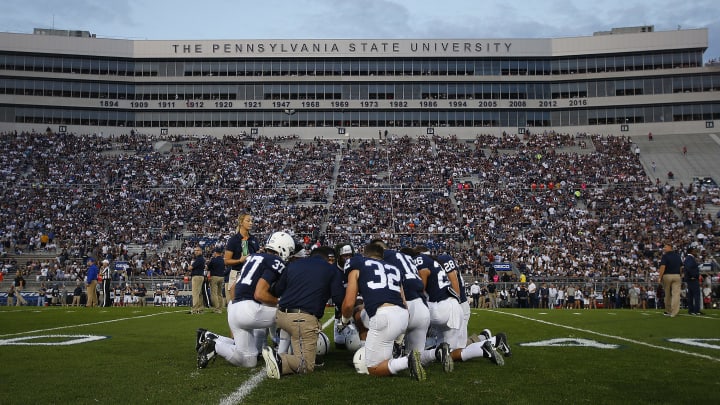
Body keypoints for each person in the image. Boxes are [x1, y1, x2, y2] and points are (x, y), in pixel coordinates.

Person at [196, 231, 295, 369]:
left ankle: (215, 345)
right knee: (288, 313)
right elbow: (260, 294)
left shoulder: (252, 257)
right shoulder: (275, 261)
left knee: (249, 361)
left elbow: (232, 289)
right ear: (283, 248)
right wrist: (279, 302)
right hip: (249, 309)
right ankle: (281, 356)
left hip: (234, 307)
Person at [340, 242, 425, 381]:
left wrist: (343, 321)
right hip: (403, 316)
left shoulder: (358, 263)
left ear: (365, 255)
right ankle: (403, 359)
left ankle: (407, 361)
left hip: (384, 316)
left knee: (373, 368)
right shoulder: (395, 268)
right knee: (385, 361)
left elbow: (349, 303)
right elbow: (404, 301)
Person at [262, 246, 345, 379]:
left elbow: (277, 290)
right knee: (306, 366)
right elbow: (339, 299)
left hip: (281, 316)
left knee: (295, 334)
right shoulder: (331, 269)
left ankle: (283, 352)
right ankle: (279, 358)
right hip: (301, 319)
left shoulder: (293, 265)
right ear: (329, 258)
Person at [224, 213, 260, 303]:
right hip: (237, 273)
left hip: (251, 274)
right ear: (241, 222)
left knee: (251, 303)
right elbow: (226, 261)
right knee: (235, 304)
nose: (251, 223)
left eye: (251, 221)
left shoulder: (254, 239)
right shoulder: (233, 240)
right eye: (248, 221)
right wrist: (239, 260)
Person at [658, 243, 682, 317]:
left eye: (665, 247)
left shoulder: (665, 256)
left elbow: (663, 267)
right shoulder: (678, 256)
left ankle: (668, 311)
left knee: (667, 294)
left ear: (670, 247)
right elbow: (681, 267)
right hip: (677, 275)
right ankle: (674, 312)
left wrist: (660, 277)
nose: (664, 248)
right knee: (676, 295)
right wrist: (680, 275)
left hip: (667, 275)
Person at [683, 247, 703, 315]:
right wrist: (693, 276)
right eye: (694, 251)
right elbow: (689, 267)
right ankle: (696, 310)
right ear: (691, 251)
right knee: (696, 295)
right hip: (693, 279)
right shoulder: (690, 258)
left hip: (690, 279)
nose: (695, 252)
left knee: (691, 295)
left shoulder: (688, 258)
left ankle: (691, 310)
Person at [206, 247, 226, 314]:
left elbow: (208, 268)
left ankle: (217, 309)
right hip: (222, 277)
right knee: (219, 293)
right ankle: (220, 308)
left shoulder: (213, 260)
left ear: (216, 252)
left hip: (214, 277)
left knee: (214, 293)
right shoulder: (223, 260)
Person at [189, 246, 206, 314]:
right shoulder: (200, 259)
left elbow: (190, 268)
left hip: (197, 277)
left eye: (197, 250)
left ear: (201, 251)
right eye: (195, 250)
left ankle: (194, 309)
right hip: (200, 276)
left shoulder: (199, 259)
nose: (196, 252)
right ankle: (200, 309)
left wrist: (190, 267)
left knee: (195, 293)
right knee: (199, 294)